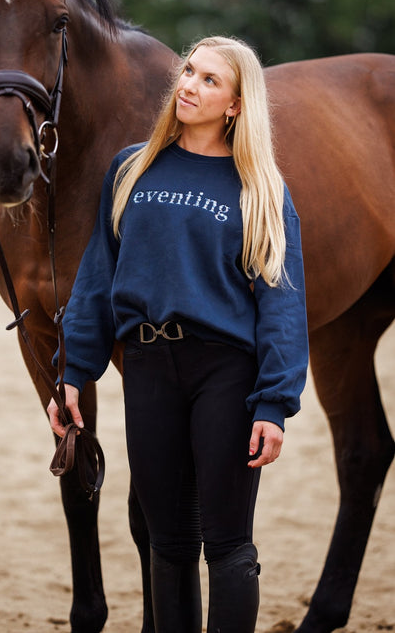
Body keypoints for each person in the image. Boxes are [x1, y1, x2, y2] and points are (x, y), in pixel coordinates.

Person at [47, 35, 309, 633]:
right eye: (189, 71)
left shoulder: (261, 189)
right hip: (147, 369)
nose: (189, 84)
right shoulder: (131, 168)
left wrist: (274, 402)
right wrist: (73, 373)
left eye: (210, 80)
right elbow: (96, 281)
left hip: (226, 374)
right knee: (167, 542)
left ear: (236, 104)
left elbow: (282, 303)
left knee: (228, 544)